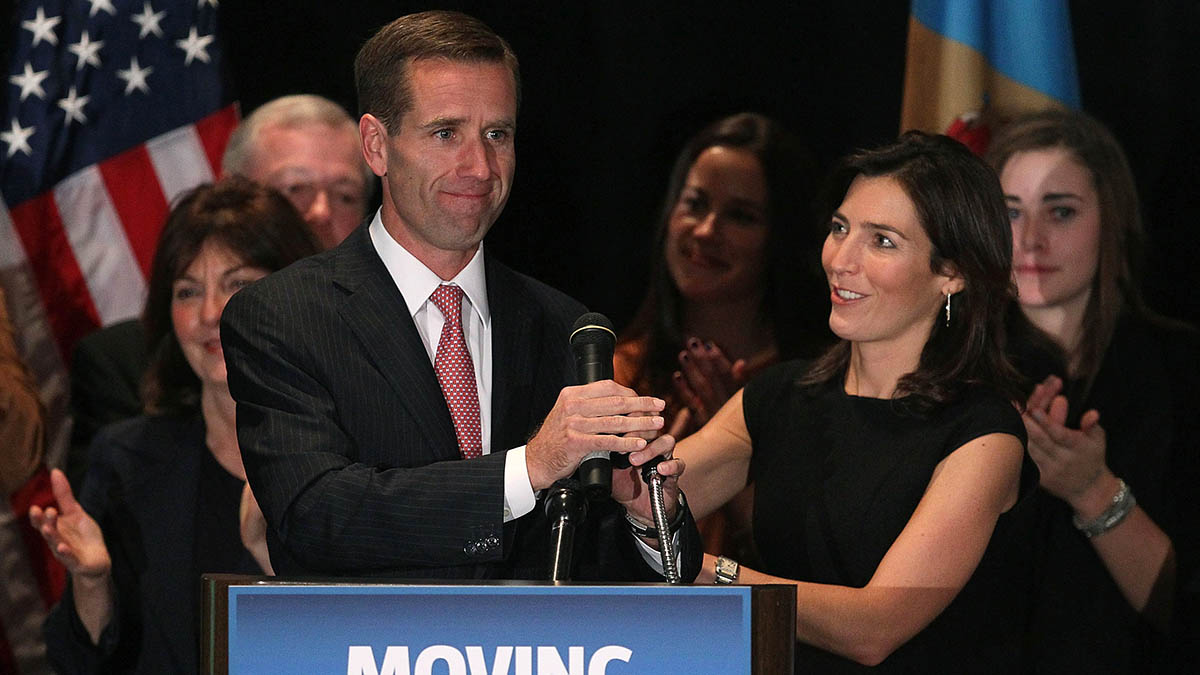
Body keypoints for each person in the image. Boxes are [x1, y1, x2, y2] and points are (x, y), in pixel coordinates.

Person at [220, 10, 698, 582]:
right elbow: (315, 514)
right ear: (376, 146)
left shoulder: (564, 326)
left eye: (497, 134)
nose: (479, 166)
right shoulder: (282, 316)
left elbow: (591, 567)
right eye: (446, 133)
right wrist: (528, 469)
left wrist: (647, 516)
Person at [675, 132, 1036, 671]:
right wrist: (618, 472)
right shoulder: (778, 396)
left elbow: (873, 628)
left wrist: (707, 572)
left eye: (883, 241)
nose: (840, 260)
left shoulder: (982, 435)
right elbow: (648, 511)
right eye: (840, 229)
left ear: (952, 273)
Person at [29, 178, 320, 674]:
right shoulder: (126, 461)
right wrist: (93, 583)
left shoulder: (363, 453)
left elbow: (387, 644)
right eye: (187, 291)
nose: (210, 315)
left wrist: (275, 564)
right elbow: (79, 663)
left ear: (296, 294)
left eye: (238, 285)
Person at [988, 108, 1200, 673]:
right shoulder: (951, 369)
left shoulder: (1181, 369)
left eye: (1060, 211)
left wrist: (1094, 492)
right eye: (1010, 213)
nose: (1030, 239)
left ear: (1112, 219)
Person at [66, 94, 371, 486]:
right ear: (235, 195)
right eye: (295, 189)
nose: (321, 213)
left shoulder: (388, 350)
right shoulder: (130, 383)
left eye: (345, 195)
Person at [614, 112, 828, 561]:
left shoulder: (816, 387)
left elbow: (815, 569)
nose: (707, 231)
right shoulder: (617, 373)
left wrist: (735, 440)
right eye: (695, 203)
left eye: (740, 216)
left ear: (780, 237)